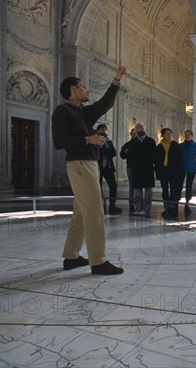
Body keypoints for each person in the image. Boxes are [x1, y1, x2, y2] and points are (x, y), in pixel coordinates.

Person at [51, 61, 126, 275]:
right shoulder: (62, 111)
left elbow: (104, 104)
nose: (87, 90)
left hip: (87, 164)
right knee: (94, 213)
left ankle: (71, 256)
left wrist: (116, 80)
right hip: (80, 165)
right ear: (73, 90)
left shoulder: (83, 112)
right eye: (83, 87)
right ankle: (98, 261)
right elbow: (59, 141)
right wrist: (88, 139)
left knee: (81, 214)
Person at [128, 122, 156, 216]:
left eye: (142, 128)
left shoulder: (151, 141)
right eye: (138, 129)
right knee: (137, 192)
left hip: (148, 169)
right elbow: (130, 156)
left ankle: (146, 209)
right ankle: (139, 208)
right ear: (136, 131)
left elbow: (154, 155)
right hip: (137, 170)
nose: (141, 130)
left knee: (148, 191)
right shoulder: (133, 142)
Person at [155, 128, 182, 217]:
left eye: (170, 133)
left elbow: (179, 159)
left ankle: (172, 207)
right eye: (167, 133)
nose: (169, 135)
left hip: (173, 172)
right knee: (165, 191)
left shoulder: (175, 145)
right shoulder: (159, 147)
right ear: (163, 135)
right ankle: (166, 208)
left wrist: (178, 171)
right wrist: (158, 172)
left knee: (174, 190)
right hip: (163, 172)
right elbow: (157, 161)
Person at [96, 124, 122, 215]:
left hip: (108, 165)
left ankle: (112, 205)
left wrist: (108, 152)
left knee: (113, 185)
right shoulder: (95, 139)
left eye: (105, 129)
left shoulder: (109, 140)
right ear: (98, 130)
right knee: (97, 186)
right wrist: (108, 152)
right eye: (103, 129)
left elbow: (113, 152)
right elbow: (100, 152)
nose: (104, 131)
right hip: (98, 165)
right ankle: (97, 206)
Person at [179, 129, 196, 215]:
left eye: (188, 135)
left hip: (191, 169)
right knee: (179, 186)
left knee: (189, 187)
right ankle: (177, 201)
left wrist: (195, 164)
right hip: (181, 168)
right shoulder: (181, 146)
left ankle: (187, 203)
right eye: (186, 135)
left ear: (192, 135)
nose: (187, 136)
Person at [119, 128, 137, 213]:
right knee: (132, 186)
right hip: (130, 167)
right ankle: (132, 203)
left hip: (139, 168)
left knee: (139, 186)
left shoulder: (140, 144)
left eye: (135, 134)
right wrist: (125, 152)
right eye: (132, 134)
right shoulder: (127, 144)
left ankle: (138, 202)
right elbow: (122, 155)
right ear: (130, 134)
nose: (133, 135)